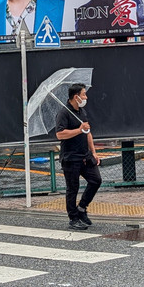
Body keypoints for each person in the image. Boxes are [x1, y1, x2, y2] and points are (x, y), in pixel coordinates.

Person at [55, 83, 100, 230]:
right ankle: (73, 218)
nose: (86, 97)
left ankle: (82, 208)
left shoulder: (81, 112)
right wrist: (79, 130)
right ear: (76, 97)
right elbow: (60, 134)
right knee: (72, 188)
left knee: (96, 180)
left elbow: (88, 132)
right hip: (70, 157)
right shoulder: (64, 113)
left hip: (85, 156)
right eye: (84, 94)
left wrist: (93, 152)